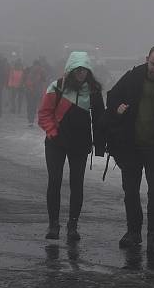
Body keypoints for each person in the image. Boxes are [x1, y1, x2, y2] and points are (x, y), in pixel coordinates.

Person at [105, 44, 154, 256]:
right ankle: (133, 233)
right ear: (146, 59)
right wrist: (117, 108)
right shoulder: (132, 78)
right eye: (153, 64)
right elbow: (112, 96)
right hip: (131, 147)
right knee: (130, 192)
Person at [38, 52, 106, 241]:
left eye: (84, 69)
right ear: (71, 69)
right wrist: (52, 132)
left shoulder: (93, 91)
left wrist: (100, 145)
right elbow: (44, 113)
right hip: (56, 144)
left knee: (77, 185)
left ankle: (72, 226)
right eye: (78, 69)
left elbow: (99, 120)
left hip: (80, 144)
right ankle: (53, 225)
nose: (81, 73)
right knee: (55, 182)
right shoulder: (57, 87)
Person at [24, 59, 47, 127]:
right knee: (36, 106)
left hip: (30, 91)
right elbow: (44, 80)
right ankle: (33, 120)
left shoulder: (29, 70)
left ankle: (30, 120)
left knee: (31, 106)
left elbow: (25, 79)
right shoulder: (41, 71)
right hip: (36, 91)